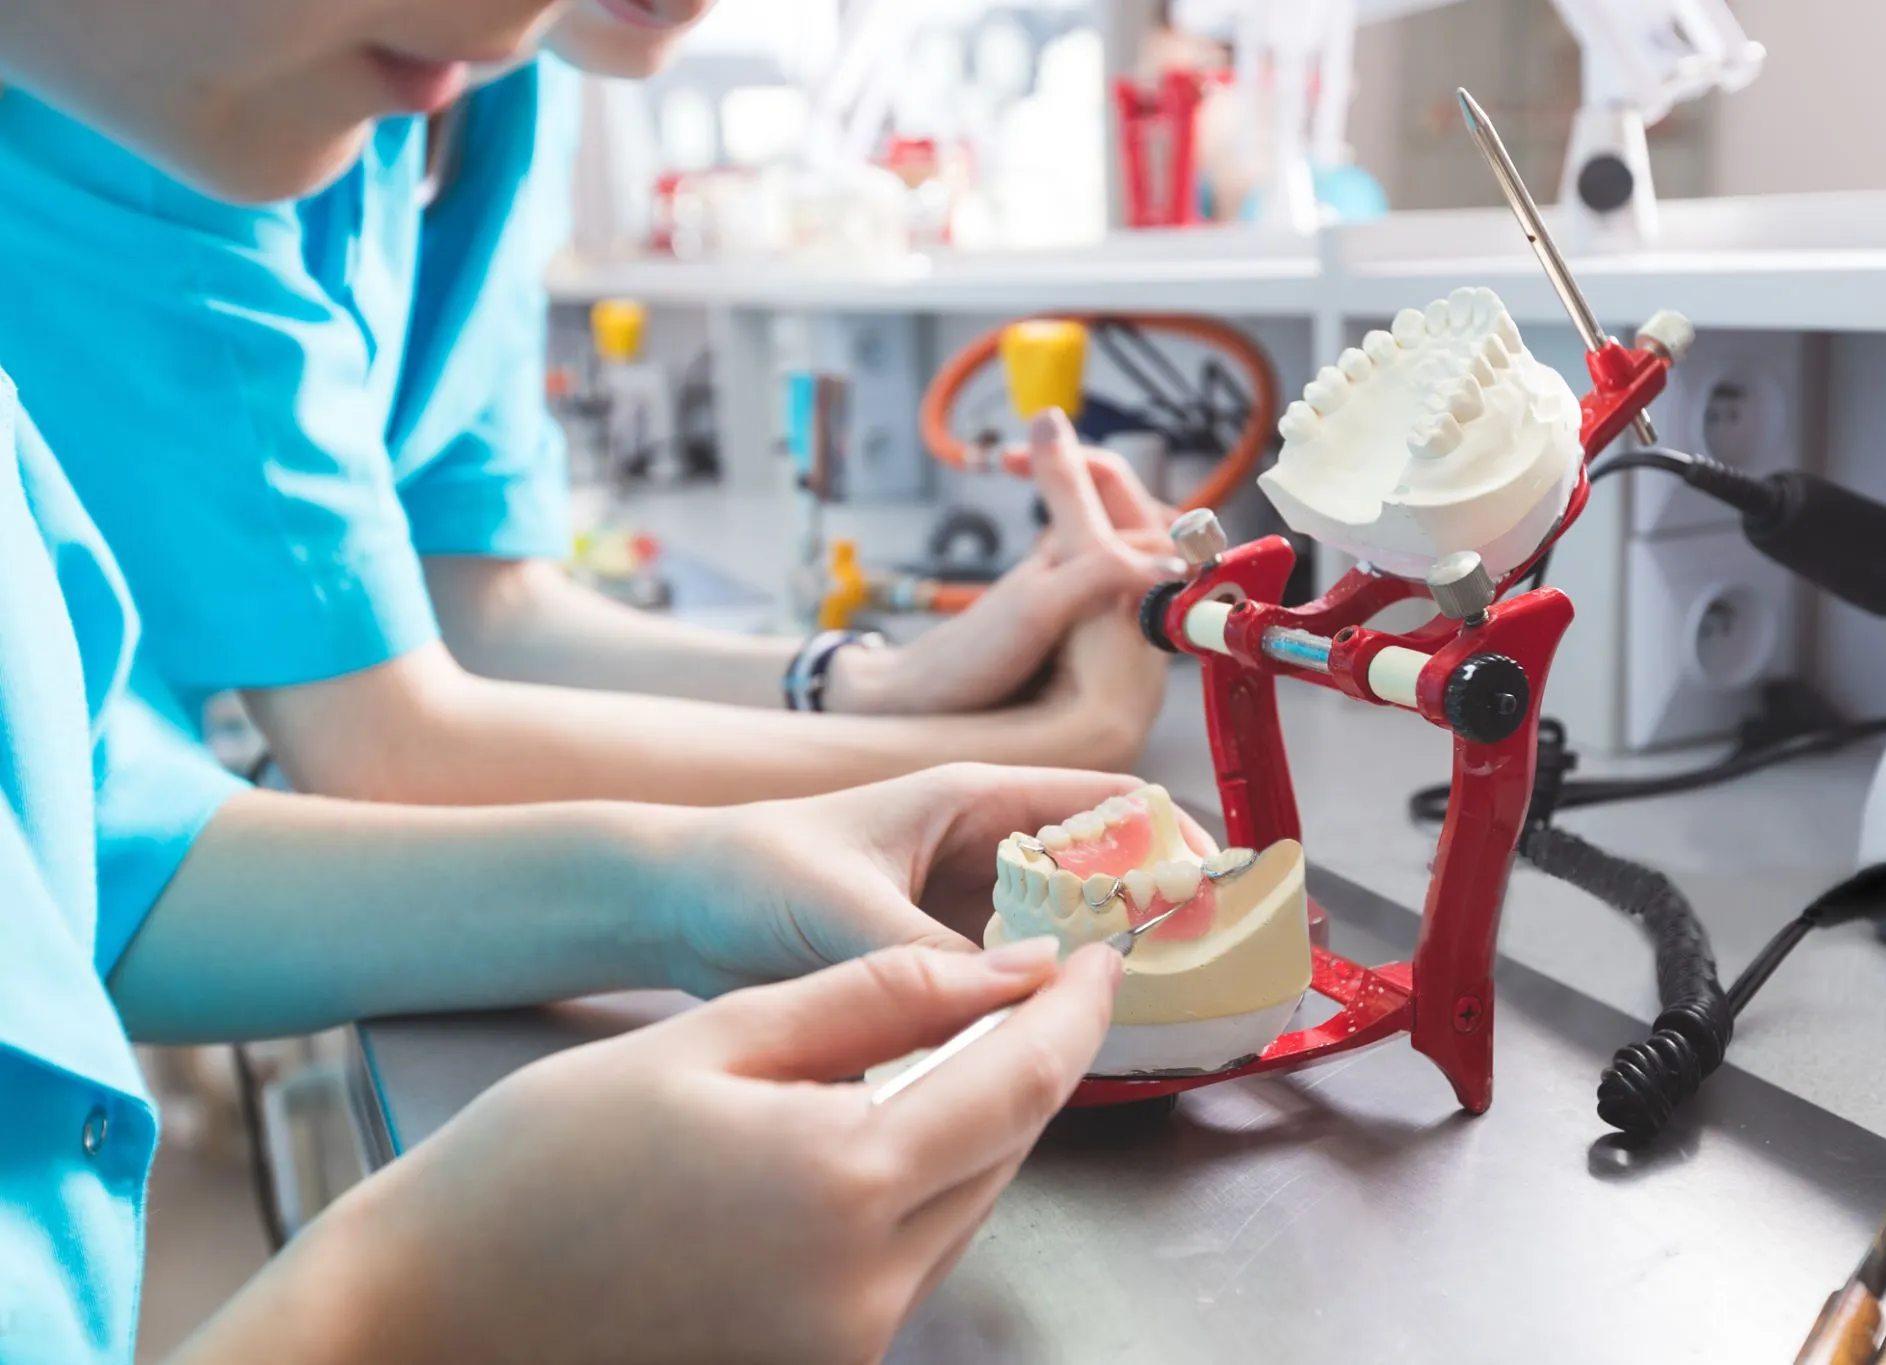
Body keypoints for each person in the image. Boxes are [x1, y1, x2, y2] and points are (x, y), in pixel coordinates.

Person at [0, 2, 1165, 1359]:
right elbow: (382, 735)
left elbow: (113, 865)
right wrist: (403, 1305)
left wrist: (688, 881)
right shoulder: (175, 134)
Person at [0, 0, 1181, 813]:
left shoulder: (501, 94)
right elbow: (380, 745)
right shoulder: (198, 107)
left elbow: (485, 608)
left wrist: (864, 684)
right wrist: (1036, 756)